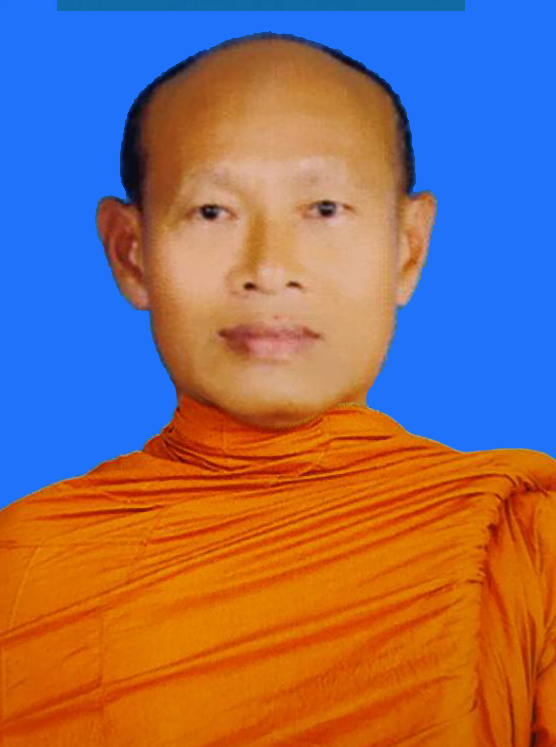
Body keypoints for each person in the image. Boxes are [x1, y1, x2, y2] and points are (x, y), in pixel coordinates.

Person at [1, 31, 554, 747]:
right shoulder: (26, 566)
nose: (268, 269)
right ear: (131, 254)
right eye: (212, 212)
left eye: (323, 208)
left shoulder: (524, 544)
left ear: (407, 248)